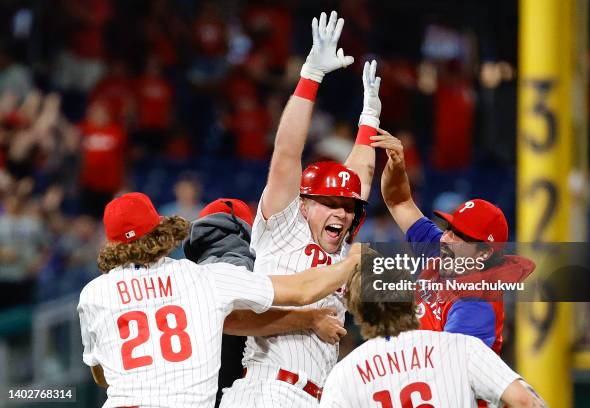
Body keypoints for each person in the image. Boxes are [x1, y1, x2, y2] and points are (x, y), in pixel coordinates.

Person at [219, 10, 383, 407]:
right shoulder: (284, 225)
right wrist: (311, 76)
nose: (341, 214)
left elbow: (358, 175)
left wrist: (369, 119)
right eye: (329, 204)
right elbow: (287, 152)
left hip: (315, 395)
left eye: (346, 208)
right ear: (306, 204)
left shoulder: (343, 250)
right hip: (269, 388)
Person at [77, 192, 361, 408]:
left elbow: (101, 376)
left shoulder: (93, 294)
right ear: (160, 231)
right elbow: (302, 291)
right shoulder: (202, 278)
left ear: (111, 243)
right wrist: (352, 264)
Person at [375, 131, 534, 354]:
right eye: (449, 228)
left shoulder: (476, 303)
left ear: (484, 253)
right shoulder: (442, 251)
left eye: (460, 235)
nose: (447, 238)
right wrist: (397, 165)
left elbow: (445, 370)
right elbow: (399, 201)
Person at [319, 256, 547, 407]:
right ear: (412, 296)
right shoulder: (461, 347)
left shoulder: (343, 375)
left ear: (357, 310)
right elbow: (525, 402)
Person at [183, 198, 347, 407]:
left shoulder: (184, 274)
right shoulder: (238, 262)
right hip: (255, 391)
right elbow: (232, 319)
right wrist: (311, 319)